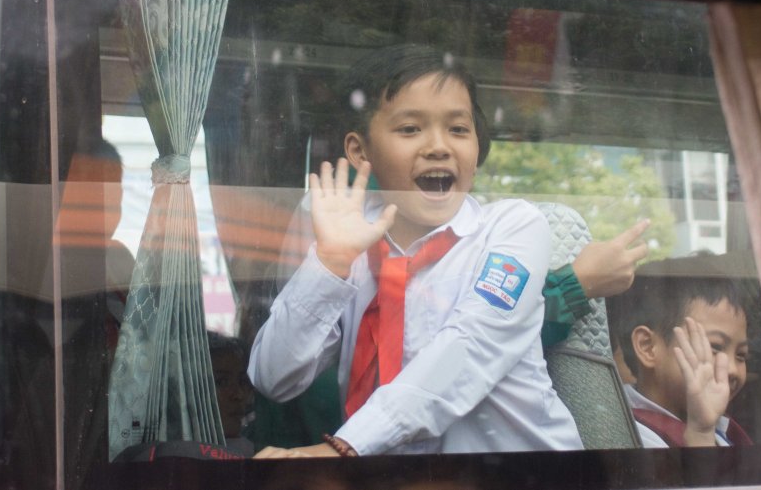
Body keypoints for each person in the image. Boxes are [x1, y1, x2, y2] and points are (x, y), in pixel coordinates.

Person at [248, 44, 584, 456]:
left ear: (478, 148)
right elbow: (274, 377)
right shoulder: (351, 245)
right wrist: (330, 263)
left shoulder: (513, 228)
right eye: (410, 129)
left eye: (458, 130)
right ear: (359, 151)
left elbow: (468, 349)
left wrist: (346, 449)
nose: (438, 146)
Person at [606, 259, 752, 448]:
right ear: (648, 346)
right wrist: (701, 434)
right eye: (714, 347)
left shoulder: (723, 429)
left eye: (741, 355)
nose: (732, 369)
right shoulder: (630, 436)